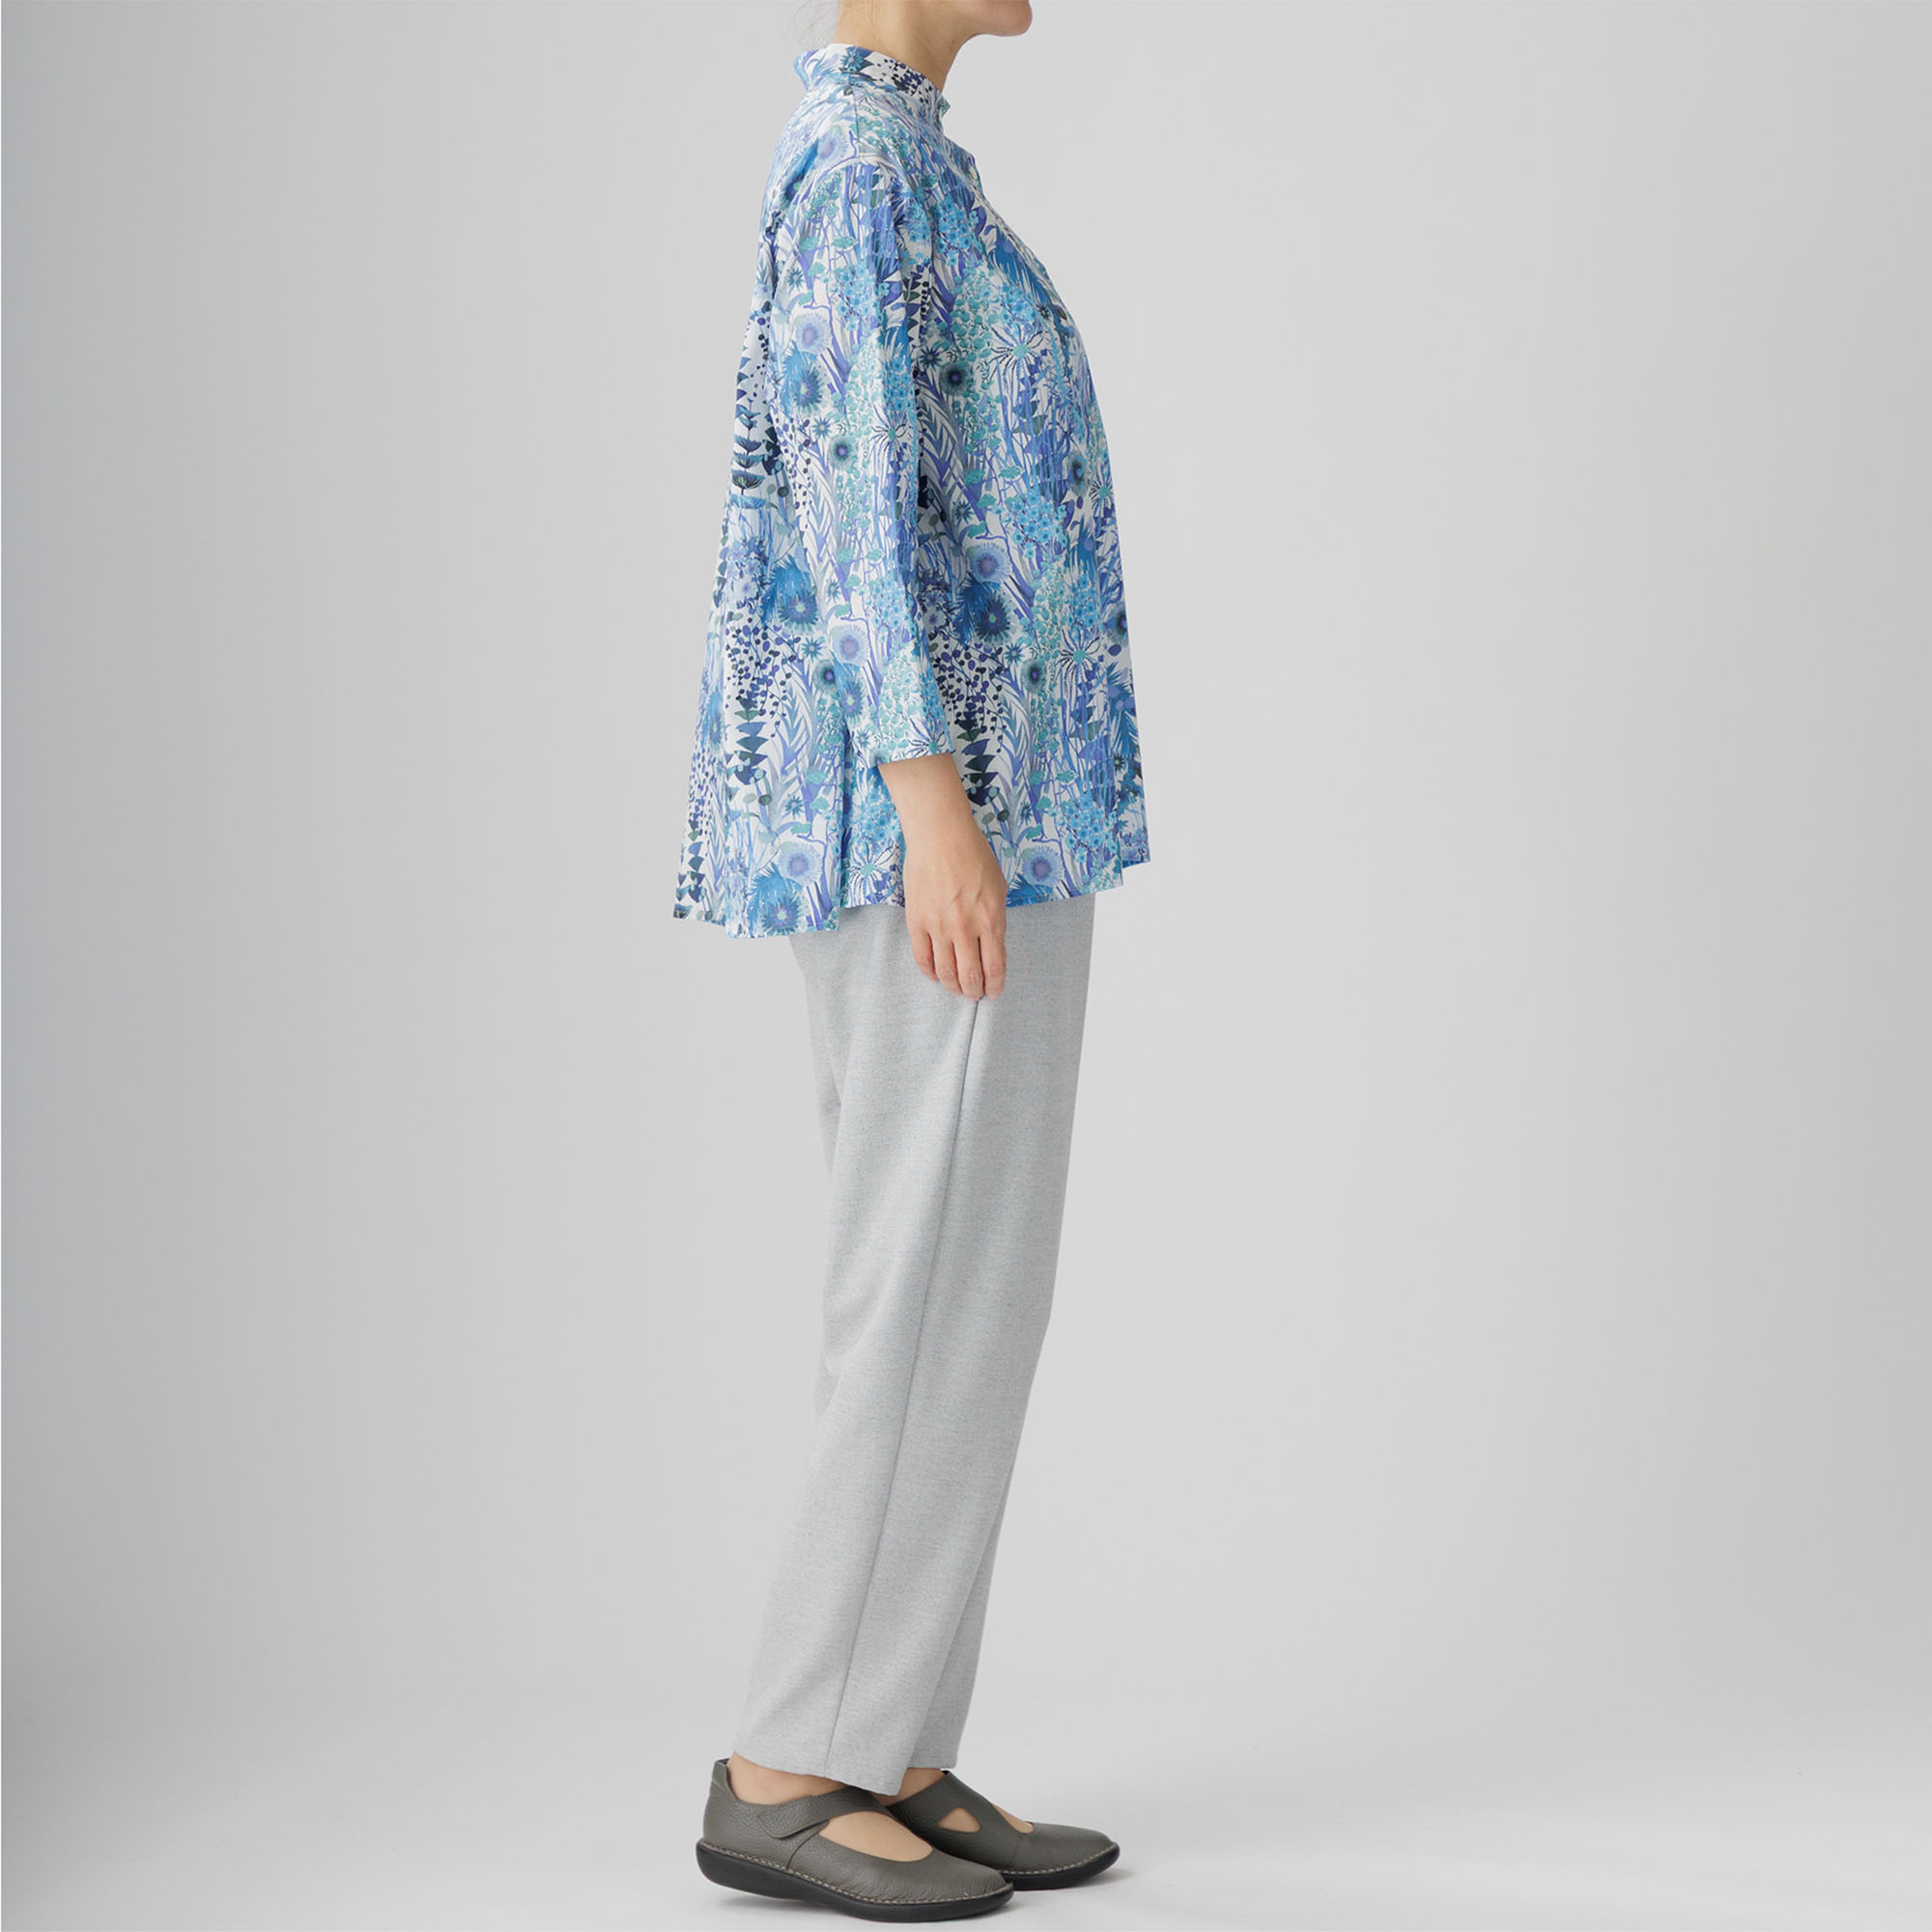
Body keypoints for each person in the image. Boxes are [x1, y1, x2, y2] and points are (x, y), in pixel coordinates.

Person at [672, 1, 1150, 1917]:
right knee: (926, 1276)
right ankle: (788, 1761)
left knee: (973, 1286)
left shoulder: (908, 162)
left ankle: (887, 1737)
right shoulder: (857, 170)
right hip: (935, 824)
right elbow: (850, 500)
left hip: (997, 806)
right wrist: (929, 796)